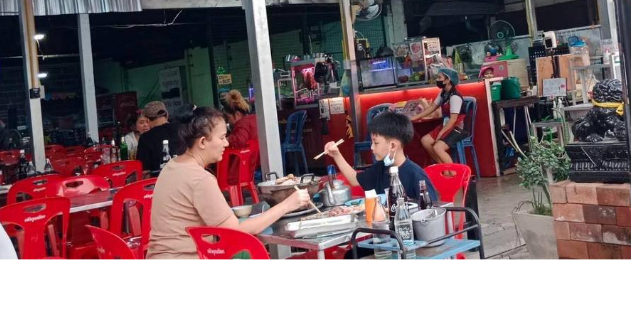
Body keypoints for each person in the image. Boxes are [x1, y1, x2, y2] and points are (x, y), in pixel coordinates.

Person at [146, 107, 313, 259]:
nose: (226, 143)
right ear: (202, 142)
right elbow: (234, 232)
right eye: (222, 137)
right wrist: (287, 205)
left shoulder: (171, 166)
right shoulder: (200, 179)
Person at [324, 109, 437, 204]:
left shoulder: (416, 174)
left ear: (393, 146)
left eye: (376, 143)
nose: (372, 147)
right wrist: (337, 155)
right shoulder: (380, 168)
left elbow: (430, 210)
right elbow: (354, 179)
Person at [413, 67, 468, 165]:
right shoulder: (443, 93)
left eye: (439, 77)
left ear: (447, 80)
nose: (437, 80)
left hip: (457, 128)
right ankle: (443, 168)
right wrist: (415, 118)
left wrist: (441, 133)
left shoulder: (454, 97)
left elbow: (453, 120)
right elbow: (433, 107)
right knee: (425, 140)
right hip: (446, 125)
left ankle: (453, 172)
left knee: (438, 148)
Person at [136, 100, 183, 175]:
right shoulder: (183, 129)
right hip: (186, 177)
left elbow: (144, 172)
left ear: (147, 120)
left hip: (159, 181)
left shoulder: (145, 138)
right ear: (167, 115)